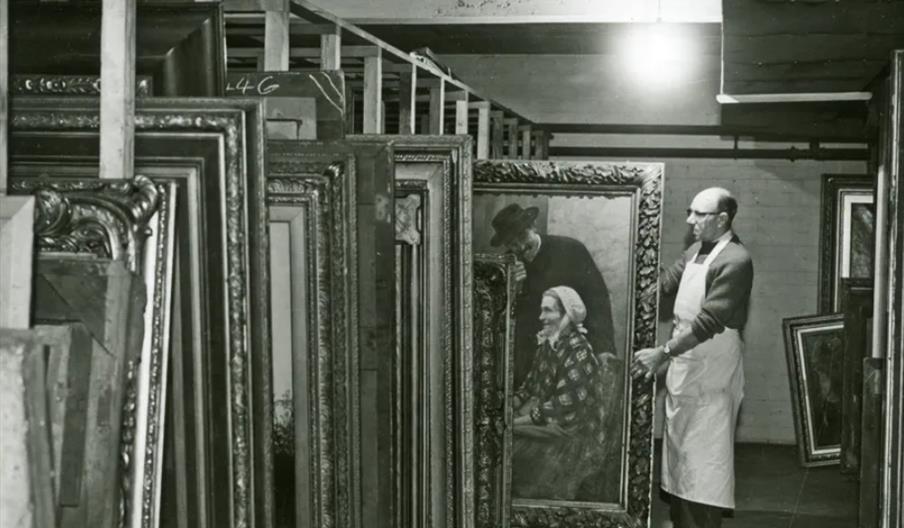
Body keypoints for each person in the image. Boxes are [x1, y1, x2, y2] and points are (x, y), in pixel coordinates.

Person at [632, 187, 754, 528]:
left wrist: (663, 352)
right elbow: (664, 285)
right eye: (691, 212)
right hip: (686, 371)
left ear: (722, 219)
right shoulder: (695, 252)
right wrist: (635, 287)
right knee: (681, 462)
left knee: (703, 469)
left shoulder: (736, 260)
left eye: (699, 215)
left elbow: (708, 322)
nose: (690, 220)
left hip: (713, 371)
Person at [490, 203, 616, 388]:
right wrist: (513, 288)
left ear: (533, 227)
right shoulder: (505, 267)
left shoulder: (571, 250)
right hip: (529, 361)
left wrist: (603, 347)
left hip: (572, 353)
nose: (521, 246)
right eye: (511, 243)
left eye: (522, 236)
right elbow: (500, 319)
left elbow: (597, 300)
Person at [510, 286, 605, 501]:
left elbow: (563, 406)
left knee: (510, 435)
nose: (541, 317)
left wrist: (516, 421)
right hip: (548, 420)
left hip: (571, 432)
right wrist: (509, 407)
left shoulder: (579, 351)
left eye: (548, 311)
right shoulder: (547, 345)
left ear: (566, 316)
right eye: (542, 310)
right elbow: (529, 387)